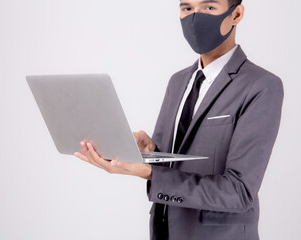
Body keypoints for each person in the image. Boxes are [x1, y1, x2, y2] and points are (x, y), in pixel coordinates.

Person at [74, 0, 284, 239]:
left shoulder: (261, 85)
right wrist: (151, 151)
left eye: (209, 8)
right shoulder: (178, 81)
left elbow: (239, 192)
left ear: (236, 14)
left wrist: (151, 174)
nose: (195, 17)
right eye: (187, 9)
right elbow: (171, 168)